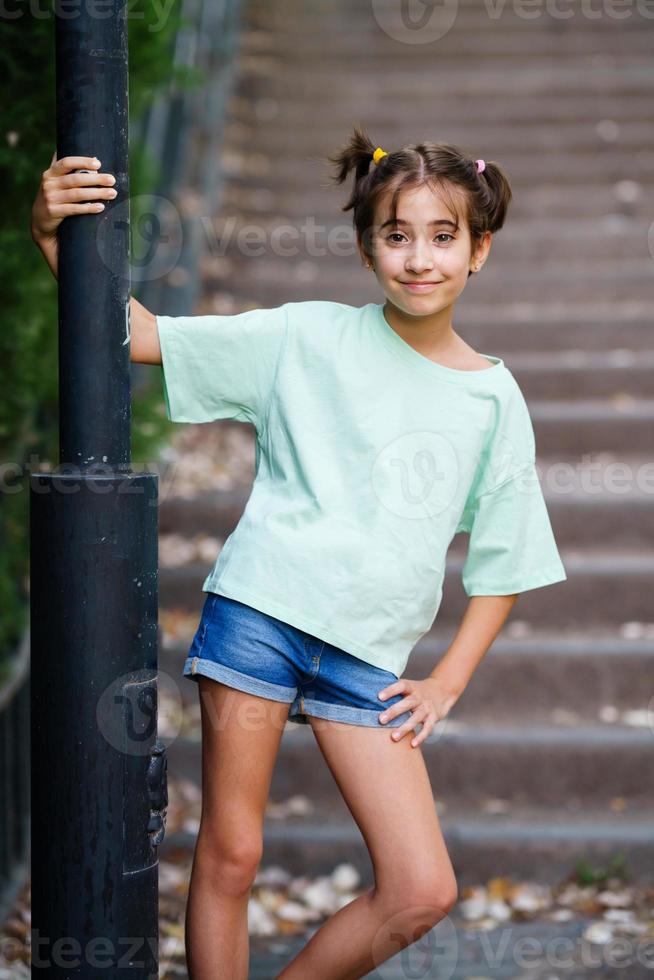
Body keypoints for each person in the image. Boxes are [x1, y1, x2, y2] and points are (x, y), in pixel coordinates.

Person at [32, 128, 567, 980]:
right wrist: (55, 237)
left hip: (368, 661)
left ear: (480, 251)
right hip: (260, 619)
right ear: (366, 249)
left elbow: (507, 561)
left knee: (422, 888)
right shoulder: (304, 338)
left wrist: (446, 681)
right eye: (397, 235)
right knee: (232, 854)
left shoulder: (493, 399)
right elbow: (141, 336)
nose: (419, 258)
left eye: (443, 236)